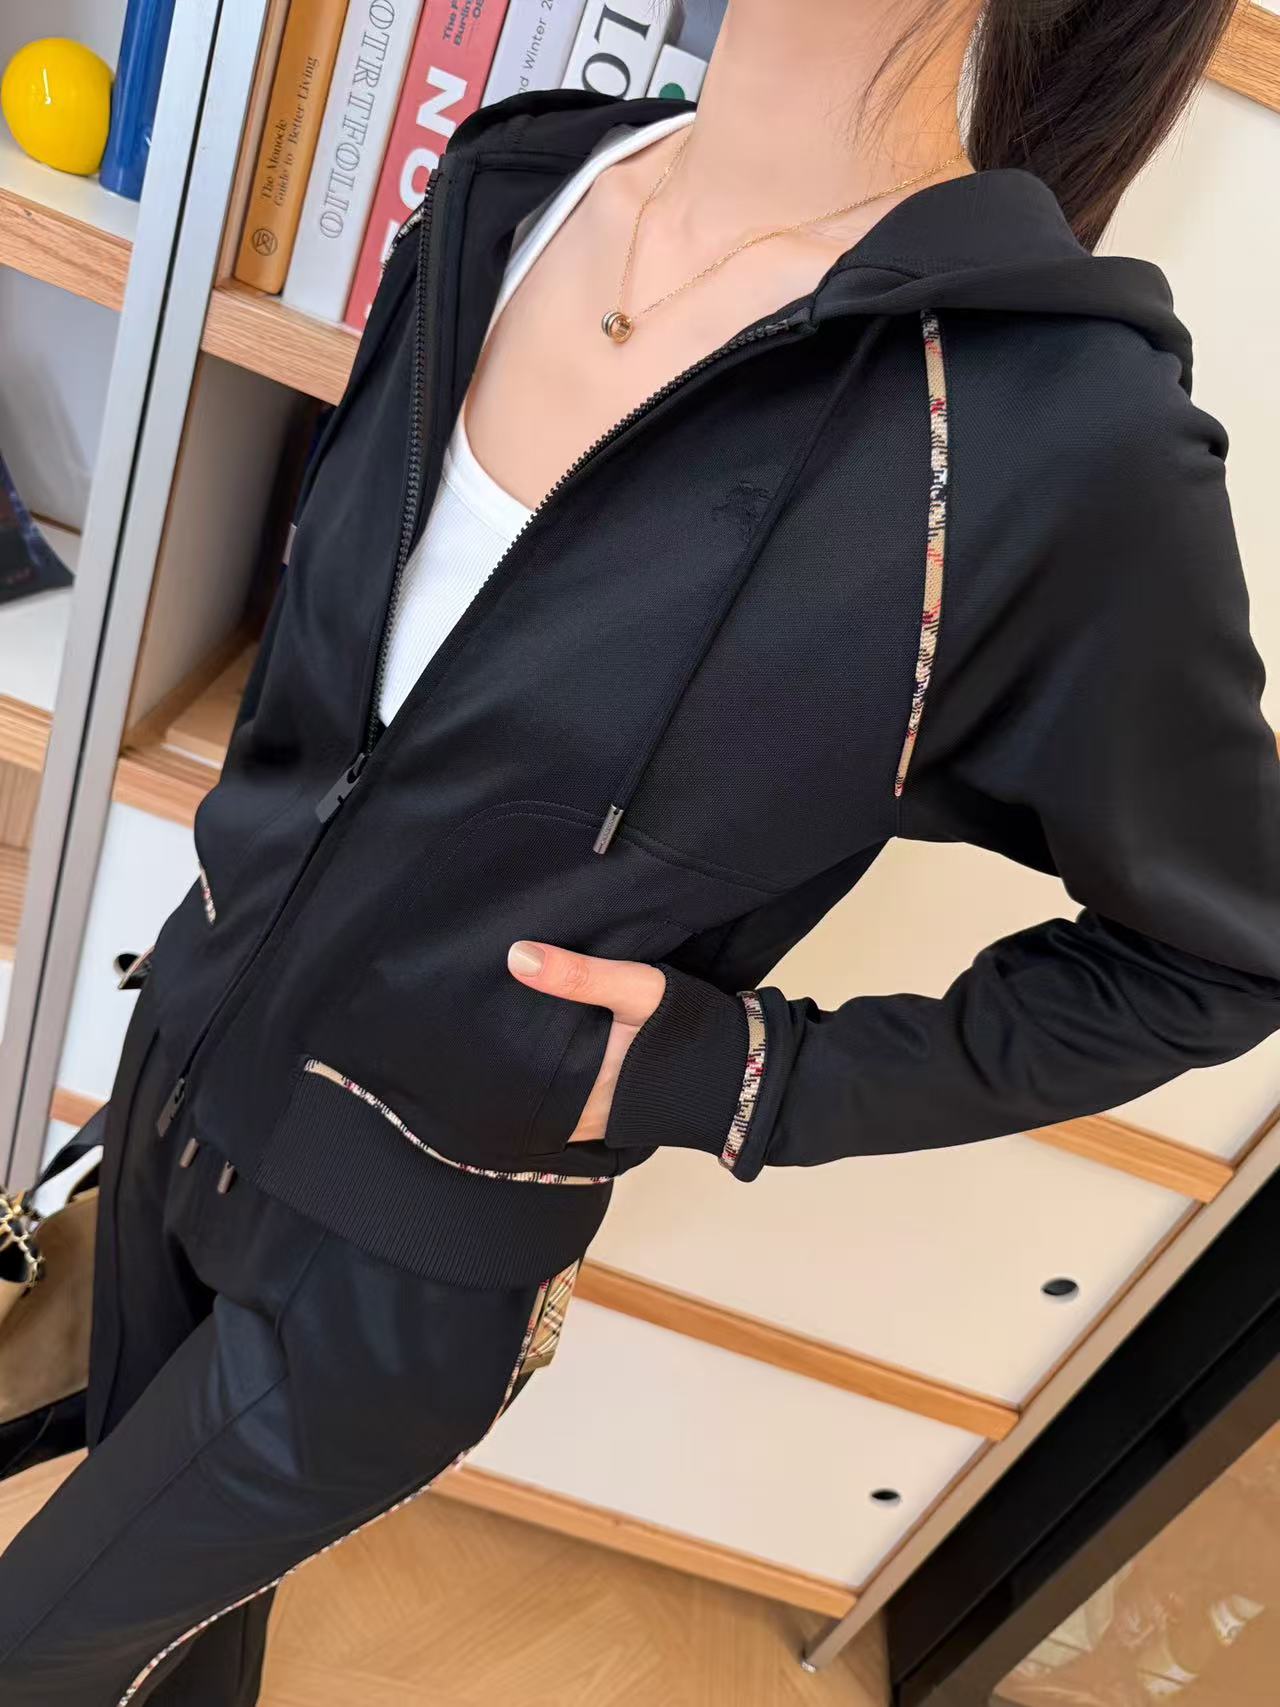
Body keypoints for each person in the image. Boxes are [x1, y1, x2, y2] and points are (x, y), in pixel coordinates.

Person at [3, 0, 1279, 1699]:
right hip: (185, 1067)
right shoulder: (511, 182)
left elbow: (1218, 953)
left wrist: (743, 1078)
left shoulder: (1051, 435)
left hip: (394, 1266)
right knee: (160, 1649)